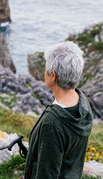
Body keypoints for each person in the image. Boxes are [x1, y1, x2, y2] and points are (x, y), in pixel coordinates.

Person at [24, 41, 93, 179]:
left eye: (46, 69)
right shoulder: (82, 102)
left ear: (53, 75)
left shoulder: (52, 123)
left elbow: (46, 174)